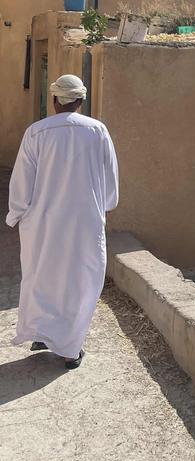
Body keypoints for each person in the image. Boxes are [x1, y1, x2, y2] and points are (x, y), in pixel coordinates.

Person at [6, 74, 119, 369]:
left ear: (54, 100)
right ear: (81, 101)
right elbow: (109, 180)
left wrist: (17, 213)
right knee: (80, 281)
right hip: (85, 223)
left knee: (42, 277)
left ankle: (48, 335)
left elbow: (22, 180)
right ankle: (68, 347)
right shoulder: (98, 131)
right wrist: (105, 206)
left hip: (42, 223)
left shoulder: (36, 132)